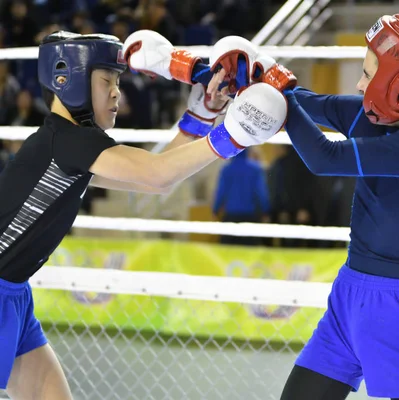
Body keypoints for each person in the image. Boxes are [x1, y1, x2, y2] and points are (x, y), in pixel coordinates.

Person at [125, 14, 399, 399]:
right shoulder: (376, 118)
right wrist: (187, 66)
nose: (359, 84)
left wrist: (272, 87)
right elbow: (304, 103)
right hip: (348, 296)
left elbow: (325, 157)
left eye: (369, 75)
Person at [0, 31, 287, 399]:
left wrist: (203, 115)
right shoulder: (70, 142)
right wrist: (233, 135)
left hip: (14, 294)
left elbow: (155, 180)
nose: (117, 91)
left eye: (118, 80)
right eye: (106, 80)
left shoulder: (68, 147)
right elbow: (158, 173)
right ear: (66, 78)